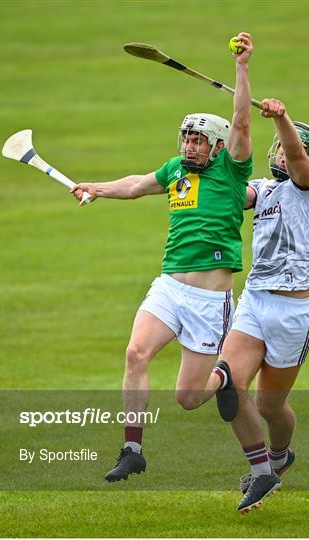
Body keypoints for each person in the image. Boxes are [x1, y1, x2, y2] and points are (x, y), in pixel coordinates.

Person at [72, 33, 254, 482]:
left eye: (198, 141)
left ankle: (224, 377)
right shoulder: (175, 171)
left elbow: (243, 123)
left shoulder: (232, 169)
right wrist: (97, 187)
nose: (189, 147)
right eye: (186, 139)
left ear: (217, 146)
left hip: (211, 300)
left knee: (189, 398)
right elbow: (136, 185)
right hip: (170, 287)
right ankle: (133, 447)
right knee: (136, 353)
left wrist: (242, 68)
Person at [211, 98, 309, 513]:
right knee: (227, 382)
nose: (280, 153)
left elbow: (296, 156)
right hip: (256, 303)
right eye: (275, 147)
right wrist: (217, 163)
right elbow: (235, 193)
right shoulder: (264, 188)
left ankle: (280, 457)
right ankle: (262, 472)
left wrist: (281, 119)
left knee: (269, 405)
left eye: (286, 147)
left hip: (294, 313)